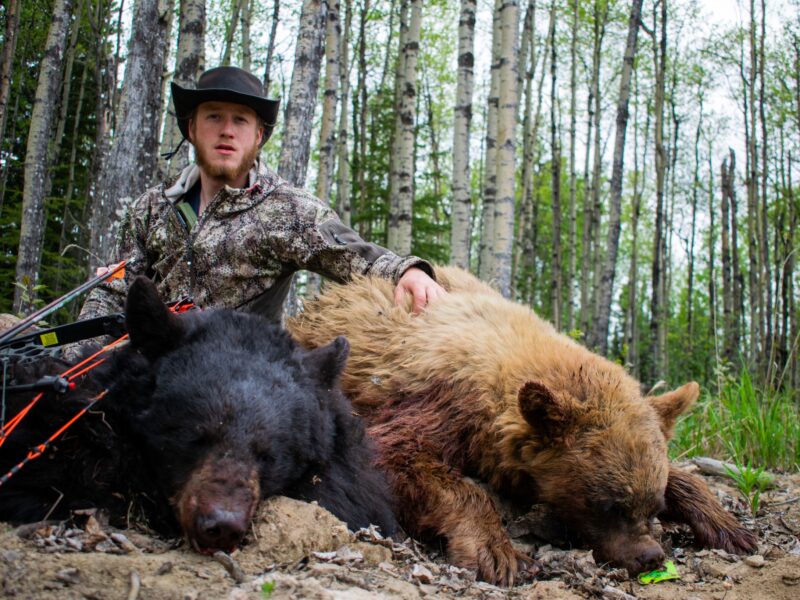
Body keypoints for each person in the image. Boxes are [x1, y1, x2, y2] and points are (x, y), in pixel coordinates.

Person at [78, 66, 445, 329]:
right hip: (151, 371)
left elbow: (351, 253)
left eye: (240, 120)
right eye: (214, 117)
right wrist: (73, 358)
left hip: (240, 382)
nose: (226, 131)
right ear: (191, 128)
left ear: (259, 136)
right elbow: (112, 292)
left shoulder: (287, 209)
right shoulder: (152, 207)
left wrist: (407, 270)